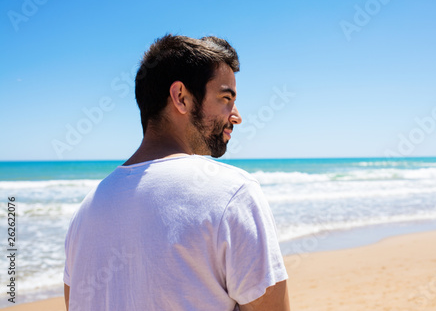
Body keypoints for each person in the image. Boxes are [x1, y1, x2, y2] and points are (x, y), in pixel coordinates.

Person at [63, 34, 289, 311]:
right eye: (225, 98)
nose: (237, 115)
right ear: (181, 97)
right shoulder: (233, 193)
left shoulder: (86, 211)